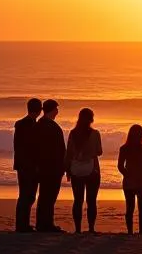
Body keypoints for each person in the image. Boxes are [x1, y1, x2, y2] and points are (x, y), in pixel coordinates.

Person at [65, 107, 103, 234]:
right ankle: (91, 228)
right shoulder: (95, 133)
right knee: (91, 201)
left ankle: (77, 229)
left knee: (78, 200)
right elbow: (99, 151)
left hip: (76, 170)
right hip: (92, 170)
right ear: (91, 119)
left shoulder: (73, 133)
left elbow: (69, 153)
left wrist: (68, 171)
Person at [118, 124, 142, 234]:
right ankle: (141, 232)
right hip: (141, 181)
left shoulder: (124, 148)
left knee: (129, 208)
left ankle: (130, 232)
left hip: (129, 182)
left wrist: (128, 175)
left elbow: (120, 166)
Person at [35, 99, 66, 232]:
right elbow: (60, 149)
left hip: (42, 166)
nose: (58, 111)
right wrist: (64, 166)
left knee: (44, 195)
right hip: (53, 167)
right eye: (56, 109)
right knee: (50, 196)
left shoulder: (39, 125)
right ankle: (47, 224)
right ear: (53, 110)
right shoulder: (53, 127)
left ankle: (42, 223)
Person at [13, 97, 42, 232]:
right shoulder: (33, 126)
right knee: (28, 195)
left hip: (21, 164)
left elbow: (18, 147)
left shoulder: (20, 124)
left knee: (24, 194)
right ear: (39, 110)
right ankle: (22, 225)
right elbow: (33, 148)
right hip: (29, 165)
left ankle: (21, 224)